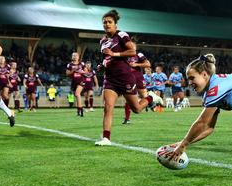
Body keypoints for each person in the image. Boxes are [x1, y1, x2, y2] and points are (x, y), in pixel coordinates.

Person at [95, 10, 162, 146]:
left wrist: (114, 54)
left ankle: (151, 97)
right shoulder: (102, 41)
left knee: (136, 109)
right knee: (108, 108)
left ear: (115, 24)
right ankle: (106, 138)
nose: (107, 24)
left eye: (109, 22)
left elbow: (132, 51)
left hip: (125, 77)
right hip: (110, 79)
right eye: (104, 22)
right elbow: (106, 58)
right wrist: (102, 66)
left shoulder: (121, 35)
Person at [124, 51, 151, 124]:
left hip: (139, 77)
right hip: (128, 77)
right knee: (128, 98)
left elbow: (148, 64)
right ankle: (127, 118)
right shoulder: (123, 54)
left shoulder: (139, 54)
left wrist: (136, 64)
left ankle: (149, 101)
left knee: (145, 96)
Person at [66, 52, 85, 117]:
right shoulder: (69, 65)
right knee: (76, 96)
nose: (74, 56)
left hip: (81, 80)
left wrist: (82, 71)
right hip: (74, 82)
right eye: (73, 55)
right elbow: (67, 74)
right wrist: (73, 70)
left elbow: (86, 71)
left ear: (78, 57)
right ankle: (78, 110)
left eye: (76, 55)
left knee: (77, 93)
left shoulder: (81, 64)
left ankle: (81, 109)